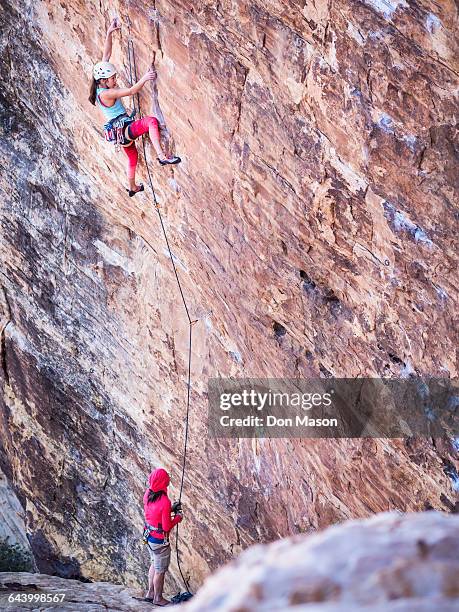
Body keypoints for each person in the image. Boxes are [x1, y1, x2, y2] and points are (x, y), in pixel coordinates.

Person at [89, 18, 181, 197]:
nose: (115, 80)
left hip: (119, 133)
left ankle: (132, 187)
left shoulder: (100, 85)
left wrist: (109, 33)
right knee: (151, 122)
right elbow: (131, 91)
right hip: (124, 129)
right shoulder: (106, 94)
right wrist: (146, 78)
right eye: (113, 79)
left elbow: (105, 57)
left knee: (132, 158)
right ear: (103, 81)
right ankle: (162, 156)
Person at [143, 468, 183, 606]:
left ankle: (150, 593)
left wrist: (171, 509)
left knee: (154, 563)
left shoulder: (148, 494)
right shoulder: (164, 501)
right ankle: (158, 598)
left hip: (148, 537)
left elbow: (156, 514)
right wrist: (177, 517)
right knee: (160, 571)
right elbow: (166, 527)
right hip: (159, 542)